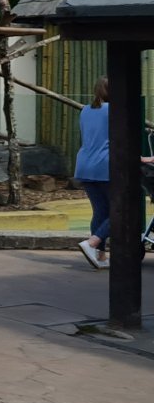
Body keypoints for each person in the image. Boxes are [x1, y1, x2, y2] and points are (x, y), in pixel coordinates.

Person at [74, 77, 112, 269]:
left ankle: (100, 256)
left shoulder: (85, 110)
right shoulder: (114, 110)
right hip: (105, 165)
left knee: (100, 211)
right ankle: (92, 243)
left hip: (84, 164)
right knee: (121, 210)